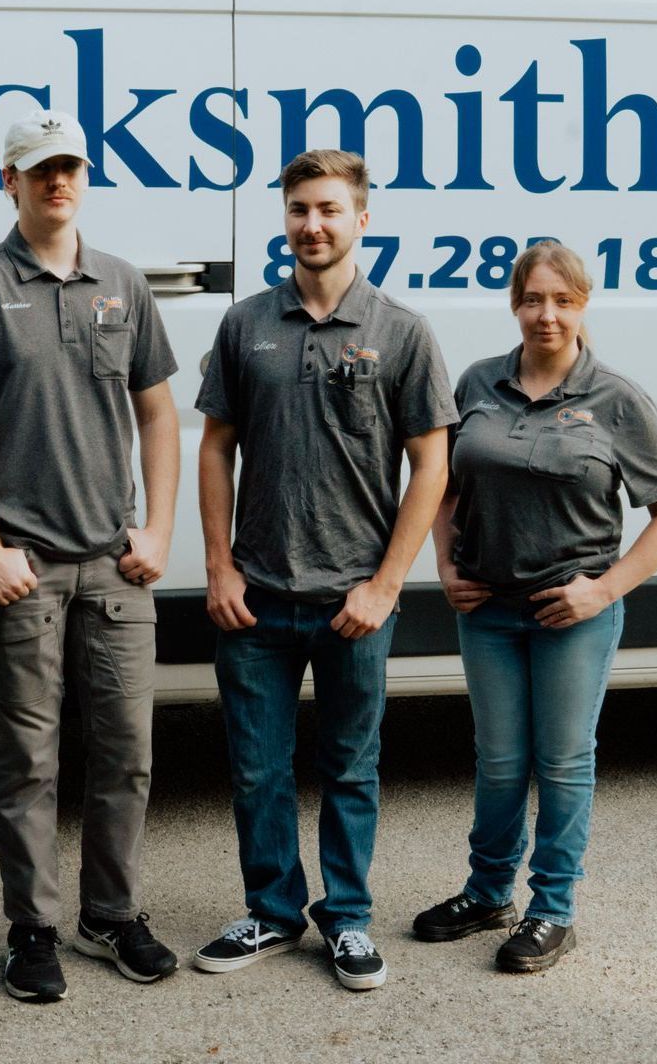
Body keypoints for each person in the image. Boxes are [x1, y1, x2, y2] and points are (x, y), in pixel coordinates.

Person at [0, 108, 180, 1002]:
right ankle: (30, 929)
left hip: (116, 562)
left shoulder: (123, 283)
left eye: (69, 167)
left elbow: (157, 412)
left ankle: (111, 916)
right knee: (29, 760)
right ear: (11, 183)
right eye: (39, 171)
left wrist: (159, 530)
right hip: (22, 568)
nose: (57, 182)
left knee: (127, 753)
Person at [193, 149, 456, 991]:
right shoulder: (245, 325)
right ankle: (271, 911)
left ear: (362, 219)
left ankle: (346, 919)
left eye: (330, 210)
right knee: (258, 769)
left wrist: (385, 585)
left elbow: (433, 467)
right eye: (300, 208)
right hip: (257, 598)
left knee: (351, 768)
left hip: (354, 601)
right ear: (286, 217)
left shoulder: (402, 332)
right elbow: (215, 448)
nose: (313, 224)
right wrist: (219, 566)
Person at [413, 242, 657, 972]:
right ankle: (487, 894)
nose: (547, 315)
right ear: (515, 302)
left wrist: (604, 589)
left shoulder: (616, 398)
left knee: (563, 763)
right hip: (489, 610)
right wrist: (445, 564)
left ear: (583, 305)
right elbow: (443, 485)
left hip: (573, 613)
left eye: (563, 301)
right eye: (534, 299)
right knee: (500, 764)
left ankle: (552, 910)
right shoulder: (478, 382)